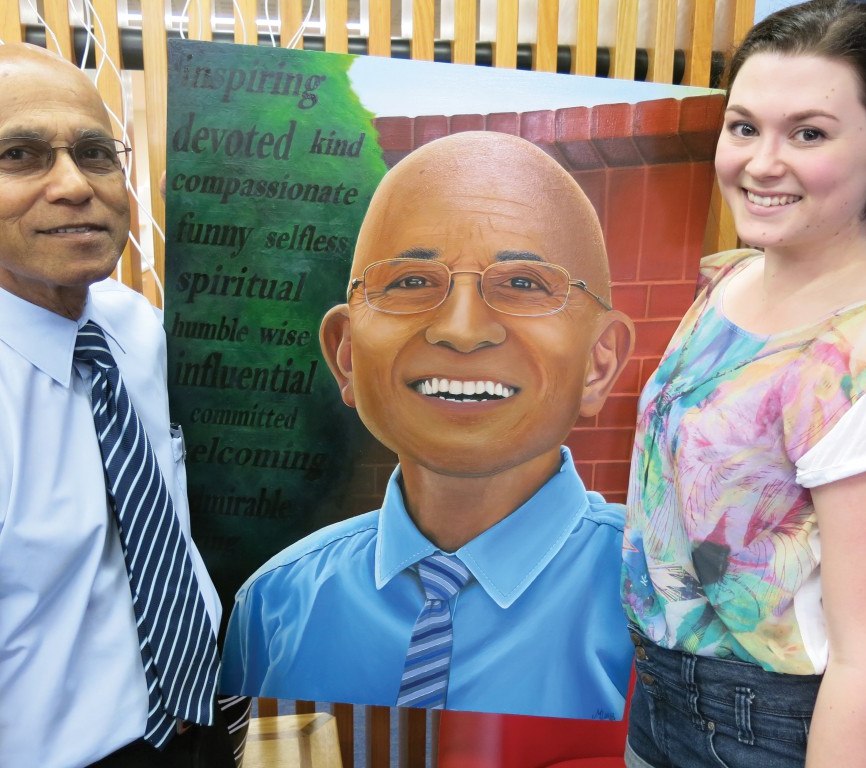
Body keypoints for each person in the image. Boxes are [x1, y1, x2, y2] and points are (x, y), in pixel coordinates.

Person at [221, 131, 636, 719]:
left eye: (522, 284)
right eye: (411, 283)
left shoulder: (661, 600)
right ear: (345, 354)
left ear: (599, 361)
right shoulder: (278, 603)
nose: (462, 330)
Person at [0, 44, 232, 767]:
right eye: (20, 155)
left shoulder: (133, 328)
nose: (75, 186)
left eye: (95, 153)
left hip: (204, 718)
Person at [621, 1, 866, 766]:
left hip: (770, 732)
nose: (760, 162)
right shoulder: (733, 279)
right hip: (657, 700)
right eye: (745, 126)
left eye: (809, 134)